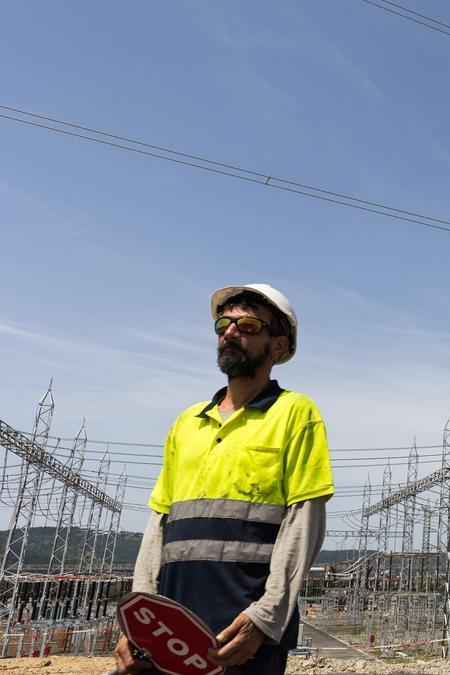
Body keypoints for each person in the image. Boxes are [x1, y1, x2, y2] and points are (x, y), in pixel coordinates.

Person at [113, 284, 334, 674]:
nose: (231, 332)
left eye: (248, 325)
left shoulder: (295, 413)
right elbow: (158, 523)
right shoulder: (188, 422)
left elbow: (304, 522)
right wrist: (139, 616)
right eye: (223, 324)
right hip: (169, 627)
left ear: (277, 346)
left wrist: (265, 619)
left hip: (241, 634)